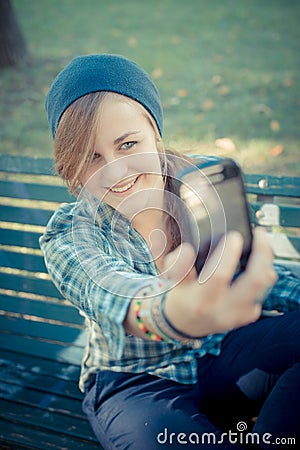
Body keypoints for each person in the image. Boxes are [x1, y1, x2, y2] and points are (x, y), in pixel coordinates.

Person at [40, 54, 300, 449]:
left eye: (128, 144)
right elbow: (111, 293)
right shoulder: (69, 233)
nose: (116, 171)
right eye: (91, 157)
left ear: (155, 133)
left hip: (221, 352)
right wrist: (172, 312)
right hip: (135, 382)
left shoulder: (202, 190)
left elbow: (249, 271)